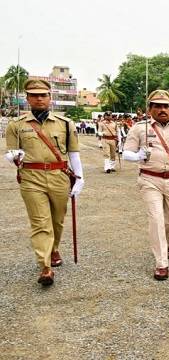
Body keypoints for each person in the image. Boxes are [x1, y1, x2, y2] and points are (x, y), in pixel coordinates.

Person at [4, 79, 85, 285]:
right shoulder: (16, 125)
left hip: (59, 177)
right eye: (34, 95)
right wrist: (14, 156)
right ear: (27, 98)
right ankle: (45, 266)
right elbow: (12, 153)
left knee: (57, 220)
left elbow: (73, 153)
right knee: (40, 222)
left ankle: (54, 248)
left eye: (43, 95)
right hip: (32, 178)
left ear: (50, 98)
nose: (39, 98)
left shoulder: (65, 124)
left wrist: (80, 178)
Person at [122, 90, 169, 280]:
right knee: (156, 219)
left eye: (166, 106)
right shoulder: (139, 128)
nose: (162, 109)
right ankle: (161, 262)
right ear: (150, 109)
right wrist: (138, 155)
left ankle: (164, 241)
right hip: (150, 179)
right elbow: (126, 153)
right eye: (157, 106)